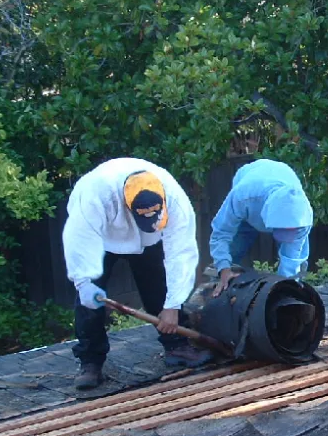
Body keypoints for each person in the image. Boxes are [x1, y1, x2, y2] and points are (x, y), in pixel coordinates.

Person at [63, 158, 211, 390]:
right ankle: (90, 362)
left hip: (148, 242)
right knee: (89, 305)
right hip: (102, 238)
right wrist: (84, 283)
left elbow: (181, 252)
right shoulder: (95, 196)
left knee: (159, 287)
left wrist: (172, 305)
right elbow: (78, 240)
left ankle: (176, 345)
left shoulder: (174, 198)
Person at [209, 159, 313, 297]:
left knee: (294, 277)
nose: (286, 234)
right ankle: (218, 289)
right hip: (250, 188)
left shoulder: (303, 219)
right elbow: (221, 233)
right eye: (281, 229)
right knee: (233, 250)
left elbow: (291, 260)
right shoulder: (243, 197)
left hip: (284, 173)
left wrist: (285, 290)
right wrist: (223, 268)